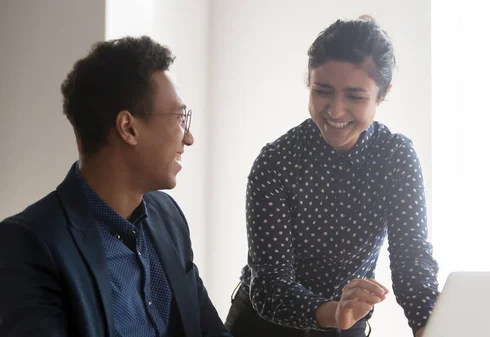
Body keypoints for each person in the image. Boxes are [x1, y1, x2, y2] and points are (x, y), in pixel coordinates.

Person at [0, 36, 232, 337]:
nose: (188, 138)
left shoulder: (169, 217)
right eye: (178, 118)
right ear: (128, 128)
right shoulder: (29, 244)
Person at [225, 16, 440, 337]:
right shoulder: (276, 162)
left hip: (347, 323)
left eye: (355, 96)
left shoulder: (395, 156)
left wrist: (427, 326)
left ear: (382, 94)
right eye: (322, 91)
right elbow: (270, 283)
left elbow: (411, 258)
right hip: (267, 327)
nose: (336, 111)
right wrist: (333, 312)